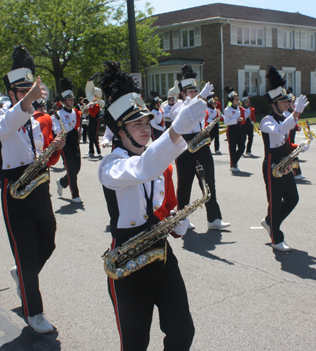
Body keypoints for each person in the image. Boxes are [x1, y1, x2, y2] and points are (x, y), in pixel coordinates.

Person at [98, 61, 207, 351]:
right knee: (135, 344)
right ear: (120, 131)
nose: (146, 129)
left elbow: (156, 199)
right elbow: (142, 170)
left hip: (160, 253)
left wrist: (173, 221)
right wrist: (175, 131)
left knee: (183, 331)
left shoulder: (151, 156)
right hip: (128, 262)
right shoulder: (110, 165)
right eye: (137, 124)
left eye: (147, 123)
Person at [0, 45, 65, 333]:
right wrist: (26, 102)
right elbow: (3, 129)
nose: (28, 96)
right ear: (11, 93)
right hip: (14, 186)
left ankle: (22, 274)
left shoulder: (34, 120)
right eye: (22, 91)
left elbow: (36, 151)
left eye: (30, 90)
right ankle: (34, 312)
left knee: (48, 240)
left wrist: (53, 149)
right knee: (25, 248)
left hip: (38, 180)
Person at [172, 65, 230, 231]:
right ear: (183, 92)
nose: (194, 94)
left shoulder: (199, 103)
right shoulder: (178, 106)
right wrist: (200, 98)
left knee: (209, 182)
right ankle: (181, 220)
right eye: (190, 92)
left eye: (195, 91)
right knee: (184, 184)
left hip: (201, 143)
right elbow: (185, 114)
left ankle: (214, 218)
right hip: (185, 146)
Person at [260, 66, 309, 252]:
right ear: (274, 103)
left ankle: (269, 221)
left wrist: (300, 147)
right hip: (273, 164)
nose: (287, 103)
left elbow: (288, 137)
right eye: (283, 101)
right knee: (274, 201)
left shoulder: (287, 115)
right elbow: (280, 131)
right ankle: (276, 238)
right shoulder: (266, 121)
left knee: (292, 198)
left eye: (287, 101)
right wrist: (296, 113)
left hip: (286, 161)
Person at [54, 77, 83, 203]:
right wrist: (68, 125)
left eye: (72, 99)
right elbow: (56, 130)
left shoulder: (76, 112)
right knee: (71, 168)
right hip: (64, 143)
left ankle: (62, 182)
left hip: (74, 141)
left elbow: (76, 125)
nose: (72, 101)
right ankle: (75, 195)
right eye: (69, 100)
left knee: (77, 168)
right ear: (64, 101)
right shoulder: (57, 114)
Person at [224, 86, 246, 172]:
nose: (238, 100)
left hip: (239, 129)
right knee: (232, 148)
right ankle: (233, 164)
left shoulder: (239, 109)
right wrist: (236, 120)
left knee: (242, 147)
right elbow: (226, 122)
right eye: (236, 99)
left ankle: (234, 161)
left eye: (238, 99)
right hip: (232, 130)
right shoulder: (227, 110)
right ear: (232, 100)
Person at [284, 90, 304, 180]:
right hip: (286, 138)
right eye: (293, 103)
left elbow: (293, 124)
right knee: (292, 154)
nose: (294, 105)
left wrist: (297, 127)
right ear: (287, 104)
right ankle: (296, 173)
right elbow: (288, 125)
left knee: (291, 154)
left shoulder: (291, 113)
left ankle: (293, 172)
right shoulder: (286, 114)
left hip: (291, 136)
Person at [83, 84, 103, 157]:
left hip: (95, 121)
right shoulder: (91, 105)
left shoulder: (97, 105)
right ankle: (91, 151)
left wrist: (89, 108)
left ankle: (99, 151)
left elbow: (93, 114)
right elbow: (87, 113)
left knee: (95, 136)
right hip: (90, 121)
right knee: (90, 136)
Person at [241, 91, 256, 157]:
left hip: (249, 124)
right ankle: (241, 150)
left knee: (251, 137)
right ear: (243, 103)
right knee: (243, 138)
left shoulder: (251, 109)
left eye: (247, 102)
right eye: (245, 102)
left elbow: (253, 117)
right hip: (243, 124)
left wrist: (253, 121)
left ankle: (248, 150)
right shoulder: (241, 109)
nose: (246, 103)